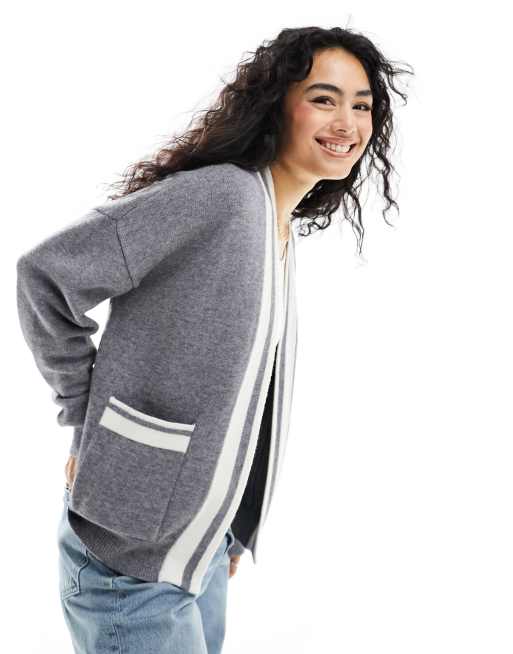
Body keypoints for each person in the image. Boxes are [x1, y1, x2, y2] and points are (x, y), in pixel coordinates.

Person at [16, 25, 412, 654]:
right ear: (277, 104)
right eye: (324, 99)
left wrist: (231, 527)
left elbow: (242, 394)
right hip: (132, 563)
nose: (347, 122)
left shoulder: (274, 220)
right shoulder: (223, 197)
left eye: (361, 105)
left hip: (197, 547)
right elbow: (46, 276)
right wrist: (83, 417)